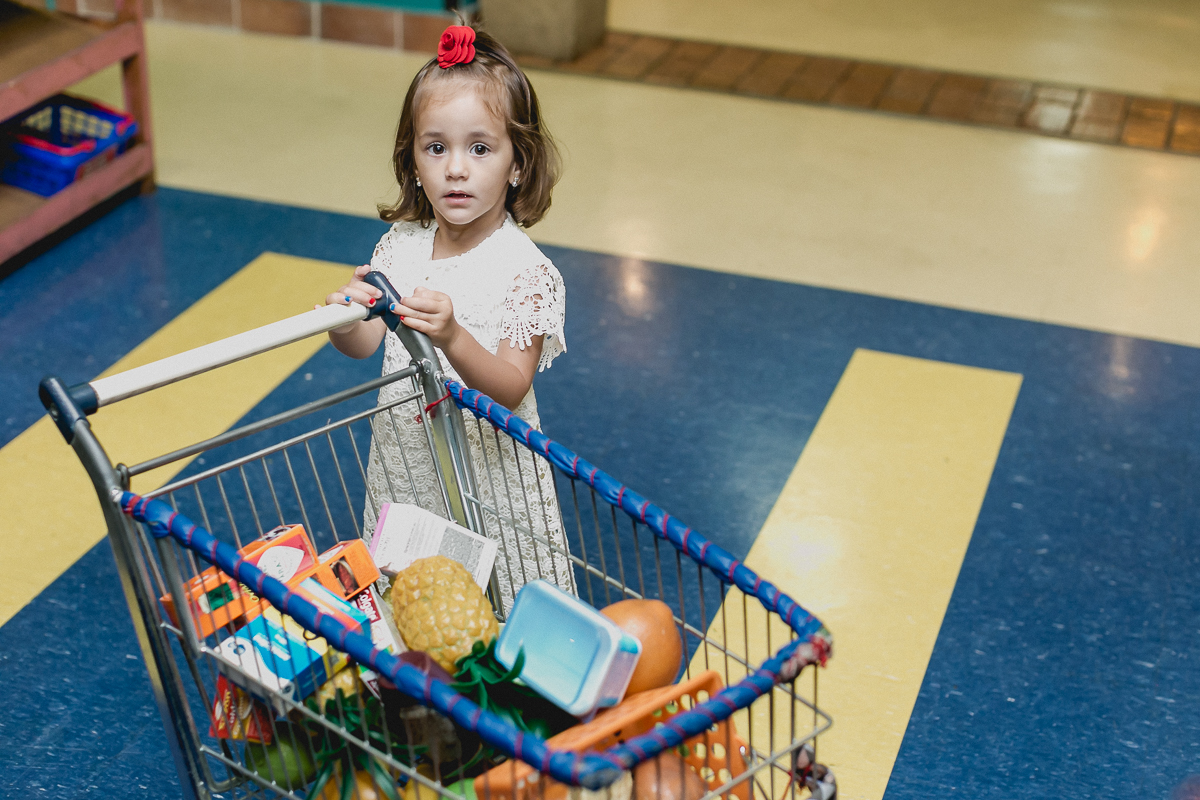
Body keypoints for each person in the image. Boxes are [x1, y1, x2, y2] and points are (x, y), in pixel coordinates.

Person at [321, 23, 575, 613]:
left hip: (493, 481)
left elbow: (512, 386)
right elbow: (366, 342)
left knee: (501, 604)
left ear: (518, 164)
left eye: (479, 148)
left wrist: (454, 336)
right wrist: (342, 322)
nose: (456, 169)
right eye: (436, 148)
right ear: (412, 161)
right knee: (414, 606)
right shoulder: (402, 246)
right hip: (408, 470)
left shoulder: (525, 273)